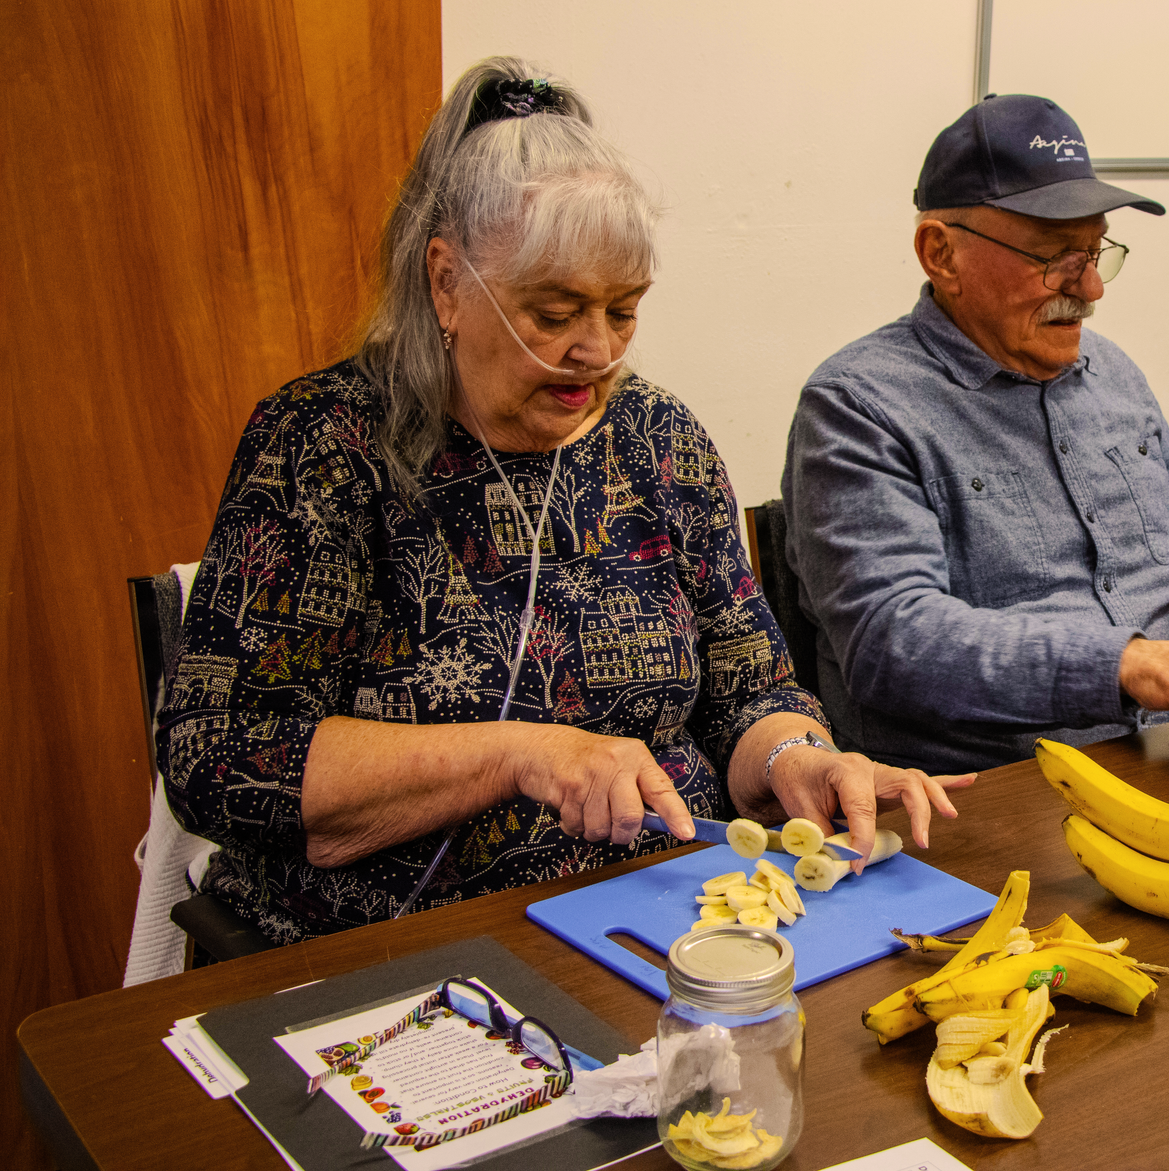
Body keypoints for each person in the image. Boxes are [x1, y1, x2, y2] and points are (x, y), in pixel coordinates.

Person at [160, 59, 970, 946]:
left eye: (623, 311)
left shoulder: (657, 438)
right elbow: (220, 757)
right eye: (553, 313)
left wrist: (795, 758)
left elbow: (749, 690)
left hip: (665, 918)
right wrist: (521, 753)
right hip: (412, 944)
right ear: (446, 283)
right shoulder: (325, 446)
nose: (596, 351)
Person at [781, 94, 1169, 775]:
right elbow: (894, 642)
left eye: (1095, 250)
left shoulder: (1113, 373)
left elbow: (1166, 567)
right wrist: (1125, 662)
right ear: (940, 252)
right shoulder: (859, 406)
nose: (1091, 286)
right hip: (991, 793)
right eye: (1056, 256)